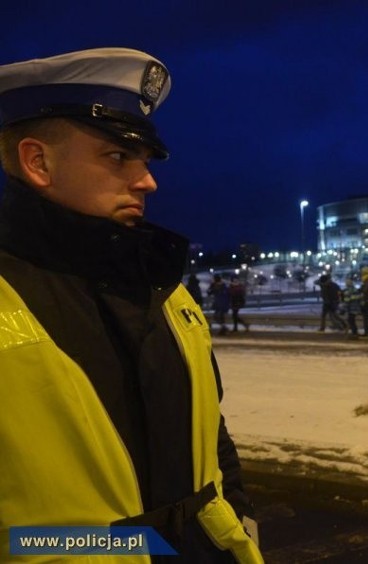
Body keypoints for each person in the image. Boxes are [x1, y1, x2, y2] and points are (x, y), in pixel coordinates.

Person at [0, 48, 261, 561]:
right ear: (38, 162)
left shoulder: (166, 291)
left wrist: (240, 518)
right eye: (118, 157)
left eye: (144, 160)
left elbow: (211, 435)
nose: (148, 181)